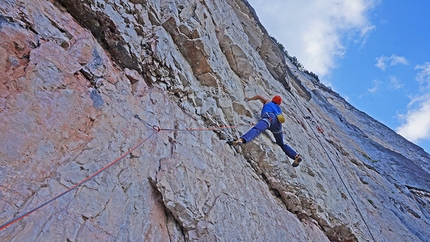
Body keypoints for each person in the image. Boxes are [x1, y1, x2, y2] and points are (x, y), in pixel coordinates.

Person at [227, 95, 303, 167]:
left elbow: (259, 96)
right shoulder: (279, 109)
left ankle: (241, 140)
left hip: (269, 118)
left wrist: (249, 99)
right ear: (279, 104)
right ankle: (295, 156)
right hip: (278, 125)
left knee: (257, 129)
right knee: (281, 144)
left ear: (273, 99)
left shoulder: (268, 101)